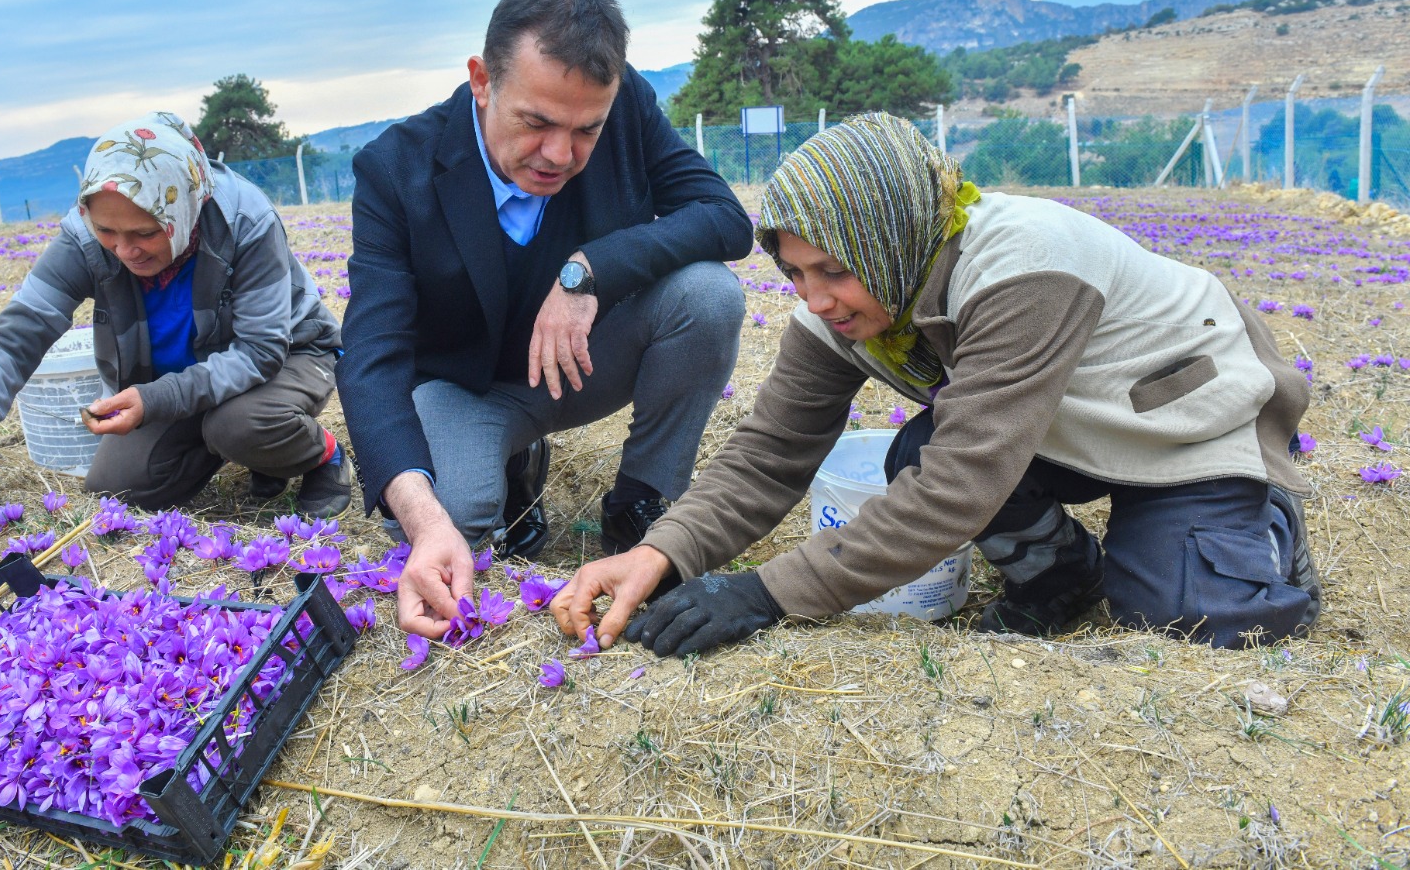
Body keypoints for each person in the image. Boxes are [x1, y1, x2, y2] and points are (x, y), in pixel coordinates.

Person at [554, 111, 1322, 655]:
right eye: (794, 273)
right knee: (913, 453)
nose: (814, 298)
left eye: (834, 269)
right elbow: (768, 454)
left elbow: (963, 481)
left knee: (1191, 617)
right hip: (1057, 421)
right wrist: (662, 555)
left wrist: (766, 594)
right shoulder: (847, 309)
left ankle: (1260, 517)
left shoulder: (1024, 267)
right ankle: (1061, 580)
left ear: (887, 236)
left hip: (1177, 417)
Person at [339, 0, 752, 640]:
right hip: (467, 386)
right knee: (453, 527)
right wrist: (424, 519)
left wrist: (587, 272)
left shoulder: (626, 105)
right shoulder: (395, 170)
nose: (560, 155)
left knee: (708, 294)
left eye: (585, 129)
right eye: (536, 123)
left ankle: (642, 500)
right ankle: (508, 469)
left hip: (582, 362)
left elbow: (724, 220)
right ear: (483, 80)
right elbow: (371, 355)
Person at [0, 112, 350, 573]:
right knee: (118, 489)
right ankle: (250, 448)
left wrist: (159, 398)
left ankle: (319, 454)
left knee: (237, 424)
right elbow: (9, 341)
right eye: (108, 232)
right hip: (181, 378)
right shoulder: (83, 240)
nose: (125, 251)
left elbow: (261, 352)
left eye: (146, 233)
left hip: (290, 353)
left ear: (184, 210)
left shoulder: (244, 220)